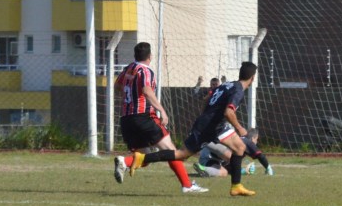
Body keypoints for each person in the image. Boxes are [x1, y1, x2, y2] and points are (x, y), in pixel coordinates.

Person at [119, 61, 258, 197]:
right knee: (181, 154)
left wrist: (208, 115)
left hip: (216, 125)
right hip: (209, 127)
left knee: (239, 148)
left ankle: (236, 186)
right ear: (252, 78)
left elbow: (207, 99)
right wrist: (240, 128)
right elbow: (229, 112)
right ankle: (141, 158)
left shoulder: (230, 84)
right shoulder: (238, 91)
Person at [112, 42, 207, 194]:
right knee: (170, 150)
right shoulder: (145, 71)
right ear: (150, 56)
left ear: (135, 56)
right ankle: (187, 185)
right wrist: (162, 110)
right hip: (143, 117)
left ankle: (126, 162)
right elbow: (147, 91)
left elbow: (117, 86)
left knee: (144, 157)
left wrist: (129, 96)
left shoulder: (129, 68)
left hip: (126, 119)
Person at [194, 128, 275, 178]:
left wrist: (243, 171)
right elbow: (260, 156)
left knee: (224, 172)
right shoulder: (247, 142)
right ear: (253, 138)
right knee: (230, 155)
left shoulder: (241, 145)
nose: (256, 142)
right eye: (257, 139)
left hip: (207, 160)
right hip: (211, 149)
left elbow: (230, 168)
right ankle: (203, 141)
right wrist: (268, 168)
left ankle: (203, 169)